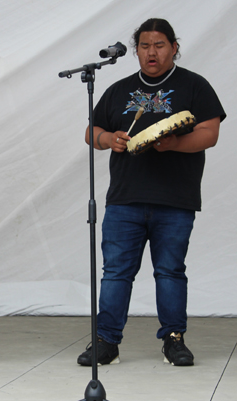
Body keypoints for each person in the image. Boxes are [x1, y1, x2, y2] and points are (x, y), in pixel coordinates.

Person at [78, 18, 225, 367]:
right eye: (144, 46)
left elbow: (210, 132)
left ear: (174, 47)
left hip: (175, 199)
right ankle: (106, 341)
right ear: (136, 50)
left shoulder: (194, 85)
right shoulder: (118, 89)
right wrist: (107, 139)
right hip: (124, 199)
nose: (152, 52)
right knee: (115, 272)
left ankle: (174, 339)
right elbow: (91, 132)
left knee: (170, 271)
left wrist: (174, 143)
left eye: (159, 45)